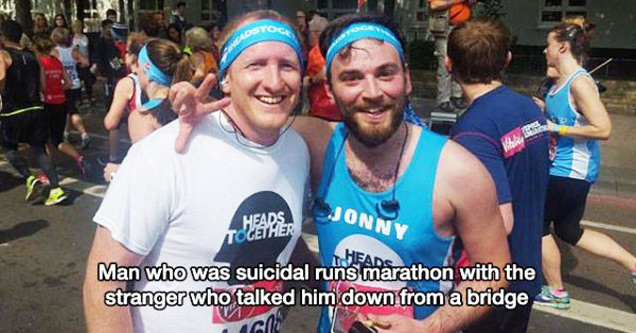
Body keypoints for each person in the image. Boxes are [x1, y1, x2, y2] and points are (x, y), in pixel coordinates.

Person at [170, 13, 511, 333]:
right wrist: (204, 113)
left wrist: (431, 326)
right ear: (330, 90)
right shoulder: (318, 144)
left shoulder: (459, 171)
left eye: (385, 73)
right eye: (351, 78)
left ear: (406, 79)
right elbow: (254, 112)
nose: (372, 92)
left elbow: (494, 272)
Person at [84, 11, 309, 332]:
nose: (274, 81)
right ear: (226, 77)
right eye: (255, 65)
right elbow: (103, 283)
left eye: (287, 66)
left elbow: (284, 242)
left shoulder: (297, 150)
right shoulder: (166, 154)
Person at [447, 19, 550, 332]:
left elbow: (500, 221)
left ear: (449, 64)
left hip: (491, 283)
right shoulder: (530, 109)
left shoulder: (472, 130)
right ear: (507, 59)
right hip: (527, 267)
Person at [533, 22, 636, 309]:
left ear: (562, 48)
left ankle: (556, 292)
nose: (544, 49)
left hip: (570, 170)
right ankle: (633, 264)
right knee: (568, 231)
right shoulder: (559, 82)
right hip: (565, 169)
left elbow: (603, 129)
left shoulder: (579, 83)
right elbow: (569, 115)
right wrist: (544, 110)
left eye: (549, 44)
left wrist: (556, 128)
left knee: (537, 225)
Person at [0, 20, 67, 205]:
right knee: (39, 148)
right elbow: (43, 85)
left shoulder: (3, 55)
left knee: (8, 147)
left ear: (3, 37)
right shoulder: (33, 56)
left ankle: (29, 177)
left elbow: (1, 76)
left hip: (13, 109)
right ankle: (56, 188)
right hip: (36, 107)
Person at [35, 35, 92, 177]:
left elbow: (42, 85)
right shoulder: (57, 62)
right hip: (60, 101)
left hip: (47, 102)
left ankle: (48, 170)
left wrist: (44, 91)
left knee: (45, 139)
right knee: (58, 139)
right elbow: (68, 83)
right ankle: (80, 158)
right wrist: (58, 89)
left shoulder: (40, 63)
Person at [102, 32, 148, 181]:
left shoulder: (128, 83)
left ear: (134, 57)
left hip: (143, 147)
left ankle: (113, 159)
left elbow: (111, 123)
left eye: (127, 51)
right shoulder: (158, 76)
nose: (124, 54)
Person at [428, 0, 474, 113]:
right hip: (445, 28)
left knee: (459, 61)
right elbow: (435, 5)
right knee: (445, 62)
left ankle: (457, 95)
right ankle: (443, 99)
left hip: (461, 27)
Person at [51, 27, 91, 150]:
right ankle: (66, 133)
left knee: (72, 110)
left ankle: (83, 133)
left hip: (64, 84)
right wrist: (76, 64)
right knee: (68, 108)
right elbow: (86, 62)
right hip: (75, 83)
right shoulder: (73, 51)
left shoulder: (54, 52)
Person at [305, 14, 340, 121]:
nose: (308, 36)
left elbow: (323, 75)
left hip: (323, 108)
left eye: (309, 32)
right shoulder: (336, 49)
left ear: (316, 33)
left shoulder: (316, 52)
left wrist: (310, 80)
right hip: (336, 108)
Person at [95, 19, 126, 111]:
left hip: (116, 74)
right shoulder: (102, 42)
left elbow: (115, 59)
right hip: (113, 73)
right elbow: (107, 59)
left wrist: (120, 69)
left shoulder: (114, 44)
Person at [72, 19, 95, 105]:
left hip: (86, 62)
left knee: (88, 81)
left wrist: (92, 61)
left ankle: (89, 98)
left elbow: (91, 49)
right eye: (75, 27)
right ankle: (79, 99)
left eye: (79, 26)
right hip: (76, 63)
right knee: (77, 82)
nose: (77, 28)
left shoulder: (86, 37)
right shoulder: (71, 38)